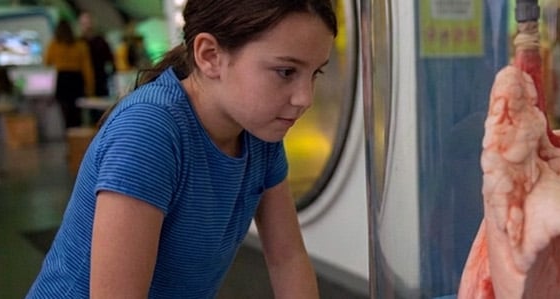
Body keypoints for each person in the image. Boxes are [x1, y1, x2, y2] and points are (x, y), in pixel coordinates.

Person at [27, 0, 338, 297]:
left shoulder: (258, 132)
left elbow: (288, 259)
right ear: (210, 55)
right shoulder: (148, 132)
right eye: (286, 72)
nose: (305, 98)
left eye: (315, 73)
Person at [43, 16, 91, 128]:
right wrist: (89, 87)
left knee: (65, 113)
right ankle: (77, 137)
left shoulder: (54, 45)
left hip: (62, 79)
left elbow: (47, 62)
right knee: (76, 113)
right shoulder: (80, 45)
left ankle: (69, 136)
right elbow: (87, 68)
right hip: (76, 80)